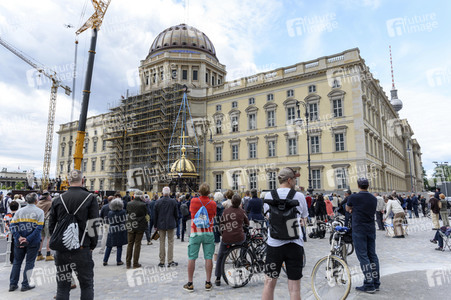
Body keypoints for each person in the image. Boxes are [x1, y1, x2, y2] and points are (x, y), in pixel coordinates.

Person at [49, 170, 99, 299]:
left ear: (68, 181)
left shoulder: (58, 199)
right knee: (86, 284)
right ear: (82, 180)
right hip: (82, 247)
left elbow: (51, 224)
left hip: (62, 248)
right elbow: (93, 224)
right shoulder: (90, 198)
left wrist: (57, 239)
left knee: (62, 286)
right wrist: (92, 244)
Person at [262, 167, 308, 300]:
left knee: (269, 284)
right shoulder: (299, 196)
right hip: (294, 244)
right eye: (294, 179)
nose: (295, 181)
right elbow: (304, 217)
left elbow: (268, 217)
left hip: (274, 244)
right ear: (289, 180)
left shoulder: (269, 195)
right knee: (294, 288)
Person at [346, 178, 380, 294]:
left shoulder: (354, 197)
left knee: (363, 256)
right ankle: (376, 281)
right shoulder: (373, 198)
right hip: (371, 228)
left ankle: (369, 283)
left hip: (359, 229)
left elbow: (347, 208)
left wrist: (353, 210)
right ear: (368, 185)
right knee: (372, 255)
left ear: (358, 185)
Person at [183, 183, 217, 292]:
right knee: (208, 257)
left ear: (199, 191)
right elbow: (214, 216)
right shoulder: (213, 203)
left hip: (195, 232)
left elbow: (191, 212)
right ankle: (207, 282)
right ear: (209, 192)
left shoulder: (193, 201)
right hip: (208, 232)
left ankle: (190, 283)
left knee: (192, 257)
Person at [9, 193, 44, 292]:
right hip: (33, 242)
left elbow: (12, 226)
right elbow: (38, 228)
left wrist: (19, 237)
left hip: (18, 242)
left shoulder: (19, 211)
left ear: (26, 201)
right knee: (29, 263)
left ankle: (12, 284)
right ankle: (25, 284)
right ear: (36, 201)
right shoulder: (39, 212)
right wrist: (28, 239)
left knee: (17, 262)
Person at [215, 194, 249, 286]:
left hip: (227, 238)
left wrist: (223, 234)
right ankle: (243, 257)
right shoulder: (242, 211)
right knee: (245, 241)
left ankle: (218, 277)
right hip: (239, 238)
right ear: (239, 203)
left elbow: (221, 224)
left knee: (221, 256)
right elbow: (247, 223)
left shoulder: (225, 211)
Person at [154, 187, 179, 268]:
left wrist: (155, 225)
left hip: (161, 224)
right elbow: (176, 214)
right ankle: (170, 260)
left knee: (162, 242)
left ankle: (162, 261)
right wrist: (176, 222)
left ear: (162, 193)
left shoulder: (158, 202)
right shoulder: (173, 201)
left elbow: (155, 215)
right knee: (170, 242)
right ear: (169, 193)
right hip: (171, 223)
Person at [125, 190, 148, 269]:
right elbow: (145, 214)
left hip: (131, 225)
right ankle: (135, 263)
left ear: (134, 195)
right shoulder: (143, 204)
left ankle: (128, 263)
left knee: (130, 244)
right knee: (137, 244)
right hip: (140, 226)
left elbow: (127, 212)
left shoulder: (129, 204)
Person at [103, 198, 127, 266]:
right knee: (119, 246)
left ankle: (105, 260)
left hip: (112, 229)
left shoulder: (110, 212)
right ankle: (118, 260)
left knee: (109, 246)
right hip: (120, 229)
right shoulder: (123, 212)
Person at [36, 190, 54, 261]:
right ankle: (48, 254)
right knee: (49, 237)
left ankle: (39, 254)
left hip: (40, 221)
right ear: (47, 197)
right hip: (47, 221)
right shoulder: (50, 203)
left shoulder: (38, 203)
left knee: (41, 238)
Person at [213, 192, 224, 262]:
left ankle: (215, 260)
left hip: (214, 224)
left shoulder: (212, 205)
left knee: (216, 243)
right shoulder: (222, 206)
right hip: (221, 225)